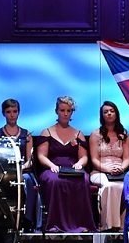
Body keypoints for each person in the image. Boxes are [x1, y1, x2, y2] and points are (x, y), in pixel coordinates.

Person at [35, 95, 95, 232]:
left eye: (69, 110)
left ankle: (80, 224)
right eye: (62, 110)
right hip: (53, 168)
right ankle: (55, 225)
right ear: (57, 111)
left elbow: (84, 156)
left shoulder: (78, 133)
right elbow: (41, 155)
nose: (66, 113)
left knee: (84, 180)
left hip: (73, 168)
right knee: (54, 181)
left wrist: (80, 163)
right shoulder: (47, 132)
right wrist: (51, 166)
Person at [88, 101, 129, 231]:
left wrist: (122, 168)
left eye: (111, 111)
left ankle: (122, 225)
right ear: (102, 115)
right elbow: (94, 160)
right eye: (106, 112)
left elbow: (126, 159)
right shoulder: (95, 135)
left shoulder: (124, 134)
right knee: (109, 186)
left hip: (120, 170)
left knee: (125, 186)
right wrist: (108, 169)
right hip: (100, 171)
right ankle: (107, 225)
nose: (109, 114)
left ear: (116, 113)